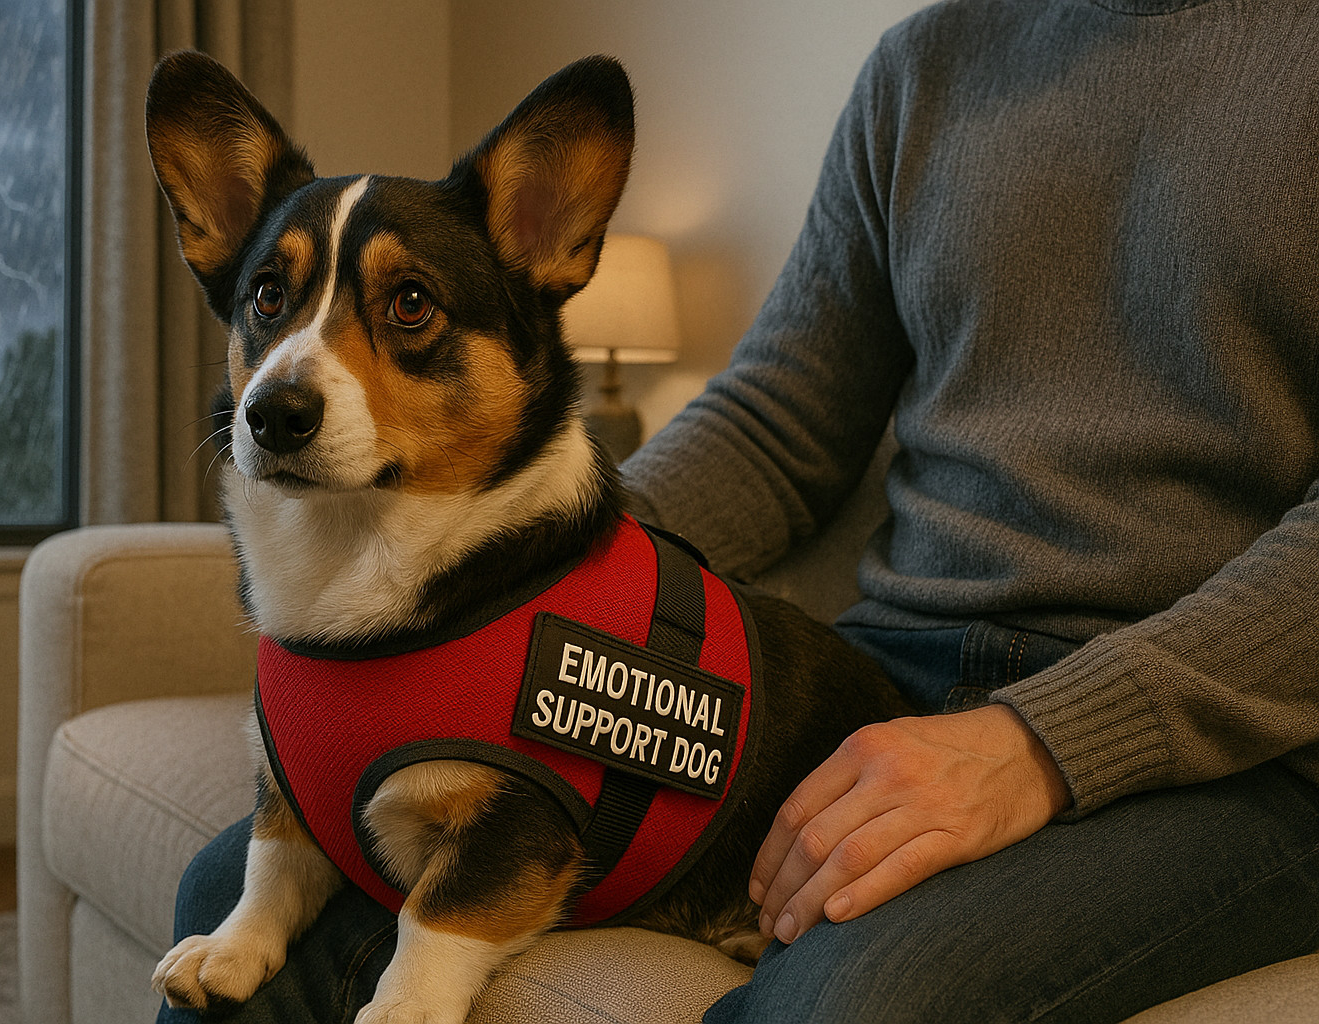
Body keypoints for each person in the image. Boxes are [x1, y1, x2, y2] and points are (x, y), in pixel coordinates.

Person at [162, 0, 1319, 1020]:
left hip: (1229, 755)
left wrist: (1040, 743)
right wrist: (513, 580)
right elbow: (784, 423)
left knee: (853, 998)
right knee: (238, 889)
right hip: (888, 679)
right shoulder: (930, 63)